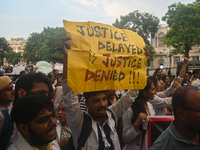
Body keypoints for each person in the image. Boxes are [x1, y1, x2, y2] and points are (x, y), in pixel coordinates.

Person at [61, 37, 150, 150]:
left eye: (103, 99)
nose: (102, 104)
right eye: (96, 101)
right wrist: (66, 58)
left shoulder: (111, 114)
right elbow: (69, 96)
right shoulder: (79, 122)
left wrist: (142, 64)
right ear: (86, 103)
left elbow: (131, 95)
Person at [122, 78, 156, 150]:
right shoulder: (130, 109)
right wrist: (136, 124)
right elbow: (126, 139)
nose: (155, 92)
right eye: (152, 90)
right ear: (145, 92)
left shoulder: (150, 106)